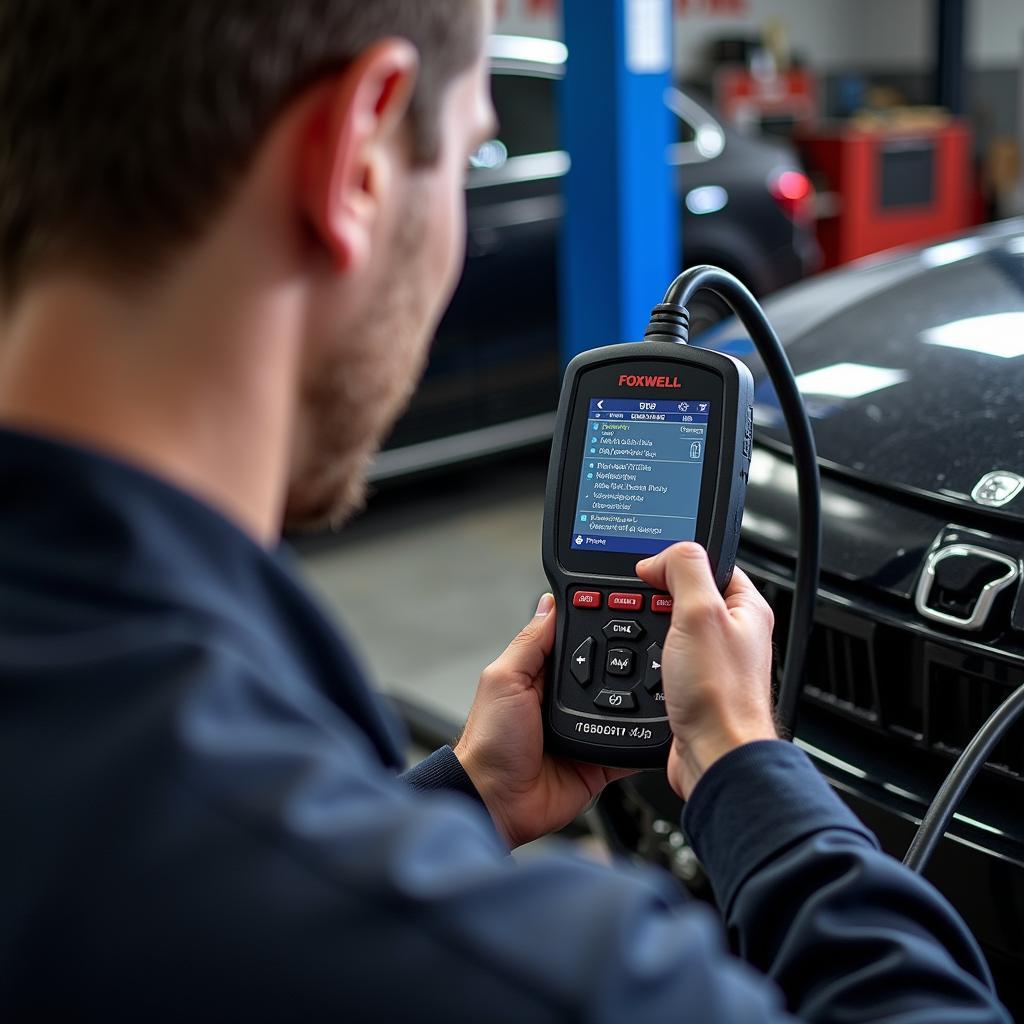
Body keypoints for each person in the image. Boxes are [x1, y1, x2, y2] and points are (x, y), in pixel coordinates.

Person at [0, 2, 1010, 1021]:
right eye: (473, 150)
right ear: (353, 156)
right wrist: (749, 770)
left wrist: (459, 800)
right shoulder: (546, 972)